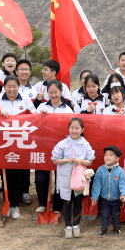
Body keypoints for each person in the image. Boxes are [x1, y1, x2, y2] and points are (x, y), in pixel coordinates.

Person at [0, 75, 35, 218]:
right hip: (5, 144)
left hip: (22, 144)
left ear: (18, 87)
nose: (12, 89)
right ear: (4, 87)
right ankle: (7, 202)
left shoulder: (26, 100)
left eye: (15, 86)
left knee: (20, 176)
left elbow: (34, 117)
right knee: (6, 176)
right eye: (9, 86)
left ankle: (15, 206)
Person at [33, 80, 75, 214]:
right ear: (47, 93)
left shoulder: (67, 109)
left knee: (60, 178)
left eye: (56, 92)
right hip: (43, 147)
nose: (53, 95)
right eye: (50, 92)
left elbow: (71, 129)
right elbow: (34, 126)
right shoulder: (41, 108)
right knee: (41, 178)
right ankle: (42, 203)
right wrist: (41, 117)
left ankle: (58, 206)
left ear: (61, 92)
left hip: (61, 149)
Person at [53, 117, 95, 238]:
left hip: (79, 178)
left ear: (82, 130)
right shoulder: (62, 144)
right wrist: (67, 160)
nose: (74, 130)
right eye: (72, 128)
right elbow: (55, 160)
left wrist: (80, 161)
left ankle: (76, 225)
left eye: (77, 128)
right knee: (66, 201)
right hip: (65, 177)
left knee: (77, 201)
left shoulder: (85, 144)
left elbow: (90, 162)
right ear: (68, 128)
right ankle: (67, 226)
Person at [90, 145, 125, 237]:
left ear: (117, 158)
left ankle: (116, 227)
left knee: (116, 214)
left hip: (116, 198)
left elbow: (123, 183)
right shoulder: (100, 170)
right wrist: (95, 197)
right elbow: (97, 184)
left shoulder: (120, 171)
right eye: (106, 155)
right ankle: (104, 228)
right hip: (104, 198)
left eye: (111, 155)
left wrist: (124, 194)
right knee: (105, 213)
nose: (107, 157)